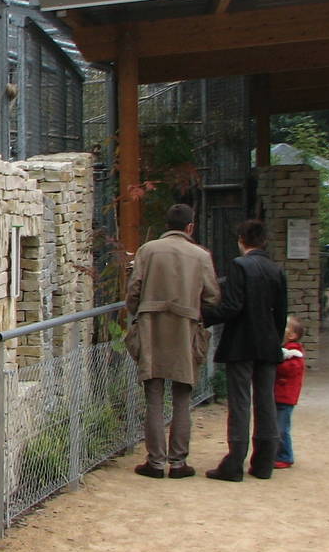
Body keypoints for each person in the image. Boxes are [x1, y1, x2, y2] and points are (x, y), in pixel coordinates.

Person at [124, 203, 220, 479]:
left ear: (167, 225)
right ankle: (178, 462)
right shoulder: (201, 256)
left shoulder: (148, 250)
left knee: (153, 395)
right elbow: (213, 296)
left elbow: (134, 290)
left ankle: (155, 461)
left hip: (151, 328)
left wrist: (139, 310)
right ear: (190, 227)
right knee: (182, 396)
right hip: (185, 329)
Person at [205, 219, 289, 481]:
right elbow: (282, 313)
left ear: (242, 239)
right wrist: (276, 339)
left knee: (240, 401)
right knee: (265, 400)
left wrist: (204, 314)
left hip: (241, 342)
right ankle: (264, 461)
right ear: (264, 241)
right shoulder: (276, 270)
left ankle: (234, 462)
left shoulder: (239, 266)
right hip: (268, 342)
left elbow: (232, 307)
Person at [274, 316, 306, 469]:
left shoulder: (293, 352)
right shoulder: (288, 350)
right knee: (277, 426)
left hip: (285, 397)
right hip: (280, 395)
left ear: (292, 335)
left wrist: (277, 361)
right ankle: (277, 453)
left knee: (281, 428)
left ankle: (285, 456)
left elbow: (289, 369)